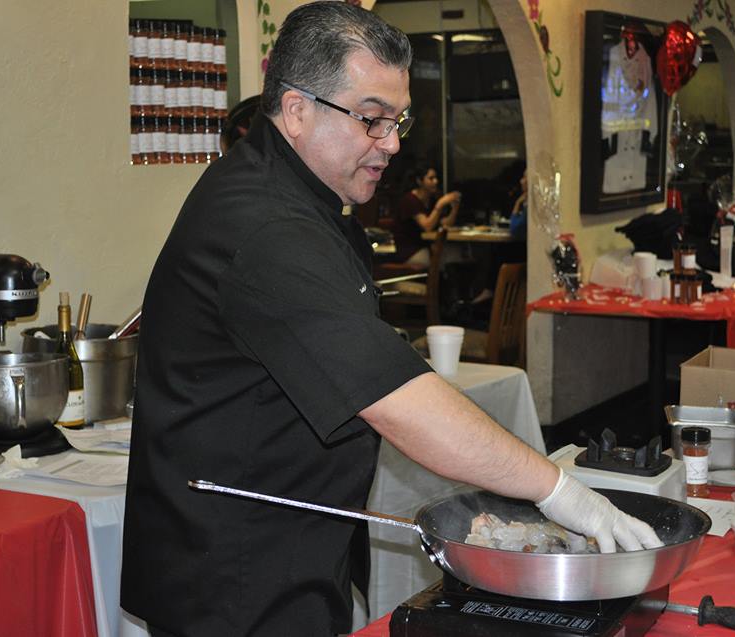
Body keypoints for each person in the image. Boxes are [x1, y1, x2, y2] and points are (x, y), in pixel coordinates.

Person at [121, 4, 661, 637]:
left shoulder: (300, 195)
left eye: (398, 120)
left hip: (282, 538)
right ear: (297, 111)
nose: (393, 143)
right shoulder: (264, 228)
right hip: (233, 566)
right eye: (372, 119)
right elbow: (395, 402)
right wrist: (561, 492)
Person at [391, 163, 461, 264]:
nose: (435, 181)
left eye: (436, 178)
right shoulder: (410, 200)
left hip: (426, 245)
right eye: (431, 178)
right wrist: (440, 204)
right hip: (410, 250)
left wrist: (455, 208)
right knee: (447, 258)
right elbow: (427, 226)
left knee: (460, 252)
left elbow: (445, 224)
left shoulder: (431, 198)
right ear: (419, 181)